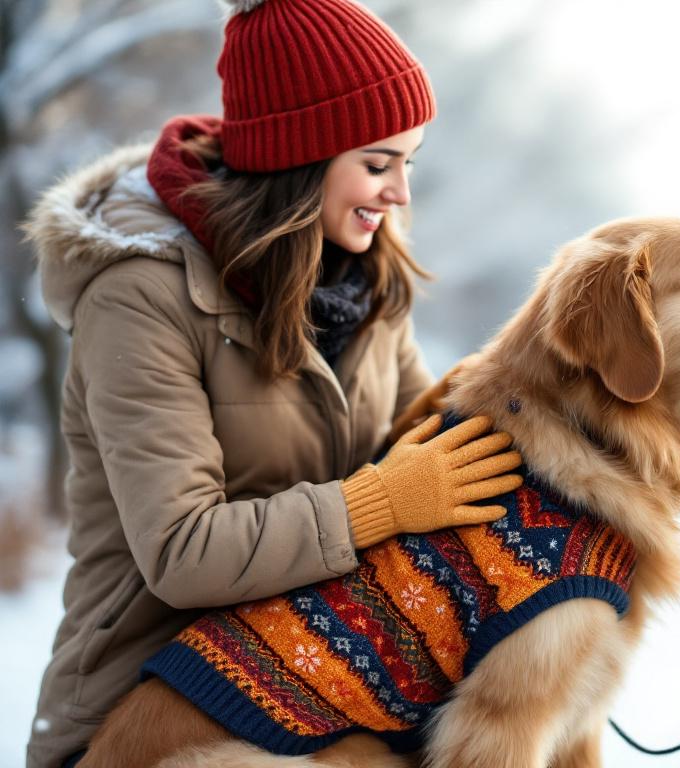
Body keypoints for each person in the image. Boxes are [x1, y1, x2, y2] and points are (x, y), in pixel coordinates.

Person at [23, 1, 524, 765]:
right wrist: (380, 501)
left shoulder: (364, 277)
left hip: (321, 677)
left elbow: (432, 441)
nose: (400, 196)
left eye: (408, 164)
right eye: (378, 164)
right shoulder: (139, 295)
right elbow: (185, 551)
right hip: (148, 710)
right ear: (301, 156)